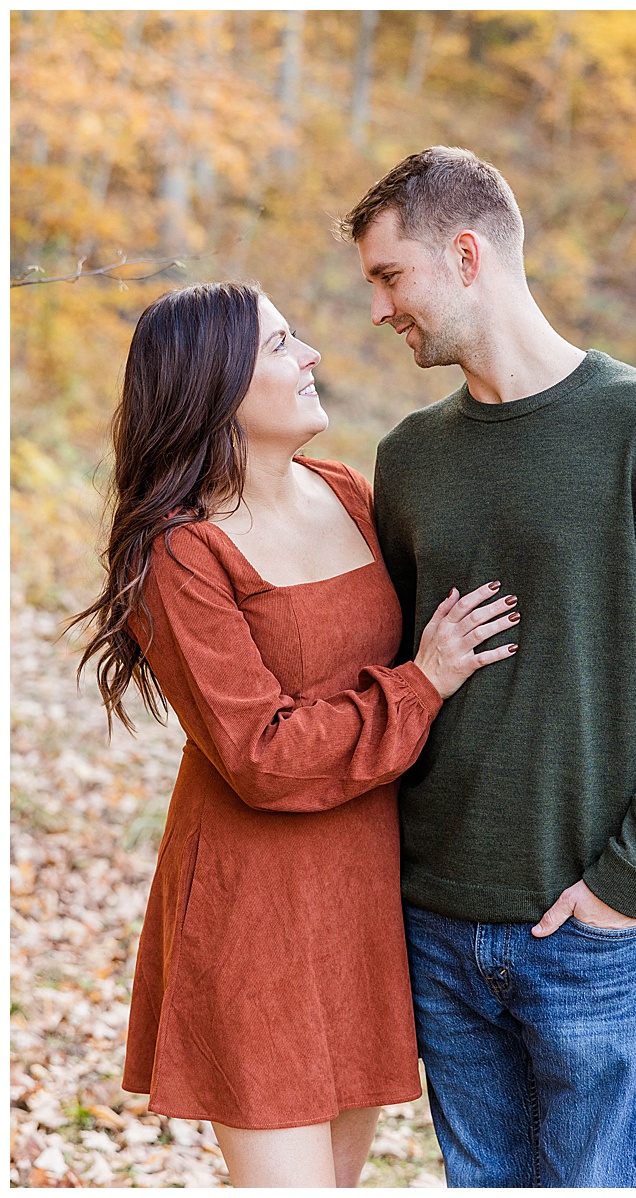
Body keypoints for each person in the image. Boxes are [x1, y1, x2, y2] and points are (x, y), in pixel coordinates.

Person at [337, 146, 636, 1187]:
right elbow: (389, 676)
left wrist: (625, 882)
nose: (380, 308)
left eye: (391, 276)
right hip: (436, 919)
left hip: (590, 929)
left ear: (466, 253)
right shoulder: (409, 457)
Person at [69, 282, 518, 1186]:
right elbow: (259, 754)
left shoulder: (346, 492)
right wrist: (421, 683)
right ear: (214, 388)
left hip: (361, 903)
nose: (311, 356)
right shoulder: (181, 551)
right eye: (281, 346)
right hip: (254, 907)